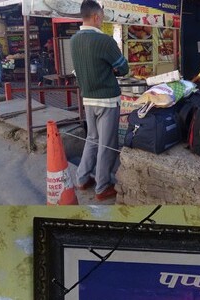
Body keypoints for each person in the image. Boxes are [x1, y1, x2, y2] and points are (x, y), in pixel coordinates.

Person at [71, 0, 129, 201]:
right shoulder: (105, 41)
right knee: (106, 143)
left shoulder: (74, 40)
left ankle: (81, 178)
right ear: (96, 16)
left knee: (92, 139)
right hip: (107, 100)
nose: (102, 20)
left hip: (87, 98)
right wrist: (112, 69)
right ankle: (102, 187)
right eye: (102, 16)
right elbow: (123, 67)